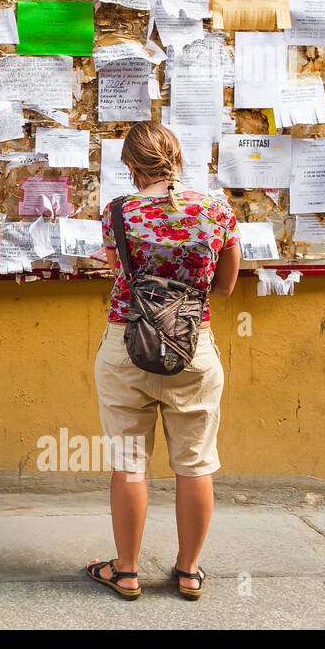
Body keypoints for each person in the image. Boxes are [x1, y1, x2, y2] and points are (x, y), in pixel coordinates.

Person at [85, 121, 240, 601]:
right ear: (177, 158)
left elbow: (121, 270)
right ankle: (189, 572)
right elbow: (226, 285)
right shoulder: (215, 209)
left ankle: (126, 572)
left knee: (129, 461)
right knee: (195, 463)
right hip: (193, 345)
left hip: (127, 344)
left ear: (131, 166)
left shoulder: (118, 213)